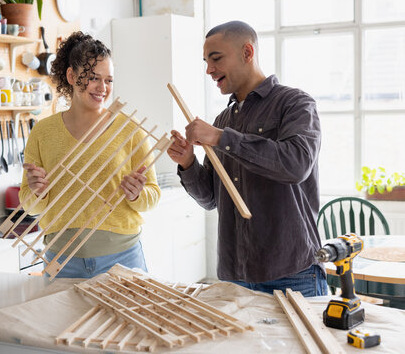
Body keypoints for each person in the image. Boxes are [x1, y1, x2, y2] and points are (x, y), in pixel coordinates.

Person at [167, 21, 327, 297]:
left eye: (216, 58)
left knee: (307, 342)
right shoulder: (224, 119)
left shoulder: (295, 104)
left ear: (247, 53)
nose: (209, 69)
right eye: (206, 61)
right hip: (237, 273)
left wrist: (221, 138)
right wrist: (187, 163)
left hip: (292, 271)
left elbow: (296, 165)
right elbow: (210, 198)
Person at [20, 31, 160, 278]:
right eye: (94, 78)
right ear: (71, 76)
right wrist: (37, 191)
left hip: (123, 259)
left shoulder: (129, 129)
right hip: (61, 262)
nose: (103, 88)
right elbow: (29, 205)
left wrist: (138, 194)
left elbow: (153, 195)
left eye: (109, 80)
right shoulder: (43, 132)